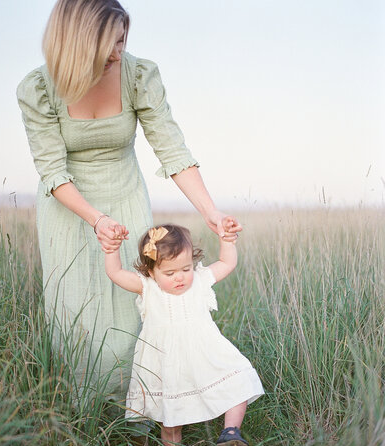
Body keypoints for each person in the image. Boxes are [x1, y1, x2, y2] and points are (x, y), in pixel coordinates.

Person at [16, 0, 242, 406]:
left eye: (123, 40)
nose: (119, 53)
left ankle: (142, 407)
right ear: (77, 44)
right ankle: (82, 413)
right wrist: (95, 218)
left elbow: (171, 148)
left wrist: (211, 212)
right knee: (75, 312)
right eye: (109, 44)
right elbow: (51, 171)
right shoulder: (37, 88)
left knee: (137, 305)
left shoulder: (139, 75)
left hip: (126, 196)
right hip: (68, 207)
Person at [104, 221, 264, 446]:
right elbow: (115, 274)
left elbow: (226, 263)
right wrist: (111, 249)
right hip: (167, 364)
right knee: (172, 423)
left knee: (239, 379)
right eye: (169, 273)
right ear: (151, 271)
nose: (179, 277)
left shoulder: (199, 281)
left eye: (186, 269)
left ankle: (231, 433)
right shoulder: (148, 287)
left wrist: (228, 241)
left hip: (206, 354)